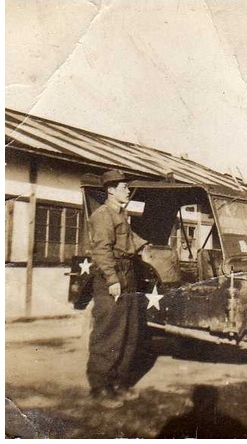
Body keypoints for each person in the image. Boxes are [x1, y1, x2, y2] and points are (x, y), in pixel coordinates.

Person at [86, 169, 148, 409]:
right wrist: (112, 280)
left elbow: (129, 240)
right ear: (111, 190)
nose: (128, 191)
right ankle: (100, 388)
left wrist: (146, 246)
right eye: (124, 187)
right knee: (109, 333)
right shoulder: (103, 215)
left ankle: (119, 383)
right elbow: (101, 250)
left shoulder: (121, 214)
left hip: (128, 274)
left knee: (129, 333)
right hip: (112, 276)